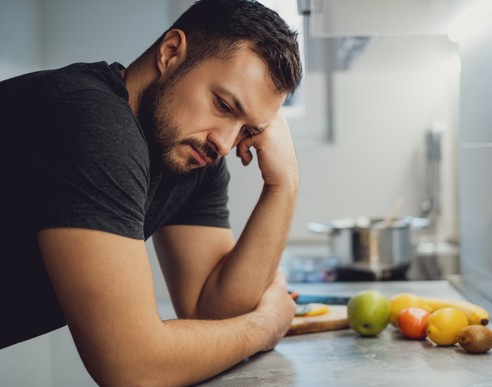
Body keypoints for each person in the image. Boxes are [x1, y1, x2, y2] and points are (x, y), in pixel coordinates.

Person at [0, 0, 302, 384]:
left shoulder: (194, 156)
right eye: (223, 105)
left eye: (247, 130)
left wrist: (283, 185)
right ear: (171, 51)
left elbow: (214, 318)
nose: (226, 144)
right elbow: (132, 368)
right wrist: (265, 326)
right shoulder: (91, 122)